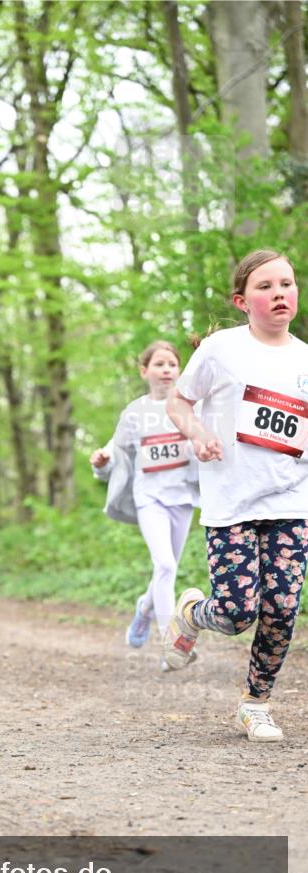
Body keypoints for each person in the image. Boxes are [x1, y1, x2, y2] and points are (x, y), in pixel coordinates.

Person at [163, 249, 308, 743]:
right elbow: (178, 401)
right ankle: (191, 613)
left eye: (286, 284)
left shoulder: (305, 360)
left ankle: (256, 703)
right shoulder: (221, 349)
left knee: (283, 607)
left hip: (291, 502)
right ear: (242, 300)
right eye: (265, 287)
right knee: (236, 611)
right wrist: (198, 433)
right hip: (232, 504)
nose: (279, 294)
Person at [90, 341, 199, 651]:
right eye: (159, 364)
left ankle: (144, 609)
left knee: (168, 568)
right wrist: (102, 462)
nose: (166, 369)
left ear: (179, 371)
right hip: (148, 497)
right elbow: (116, 450)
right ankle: (170, 641)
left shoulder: (189, 406)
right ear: (144, 371)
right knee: (164, 564)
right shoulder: (135, 411)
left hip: (183, 497)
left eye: (172, 364)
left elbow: (206, 438)